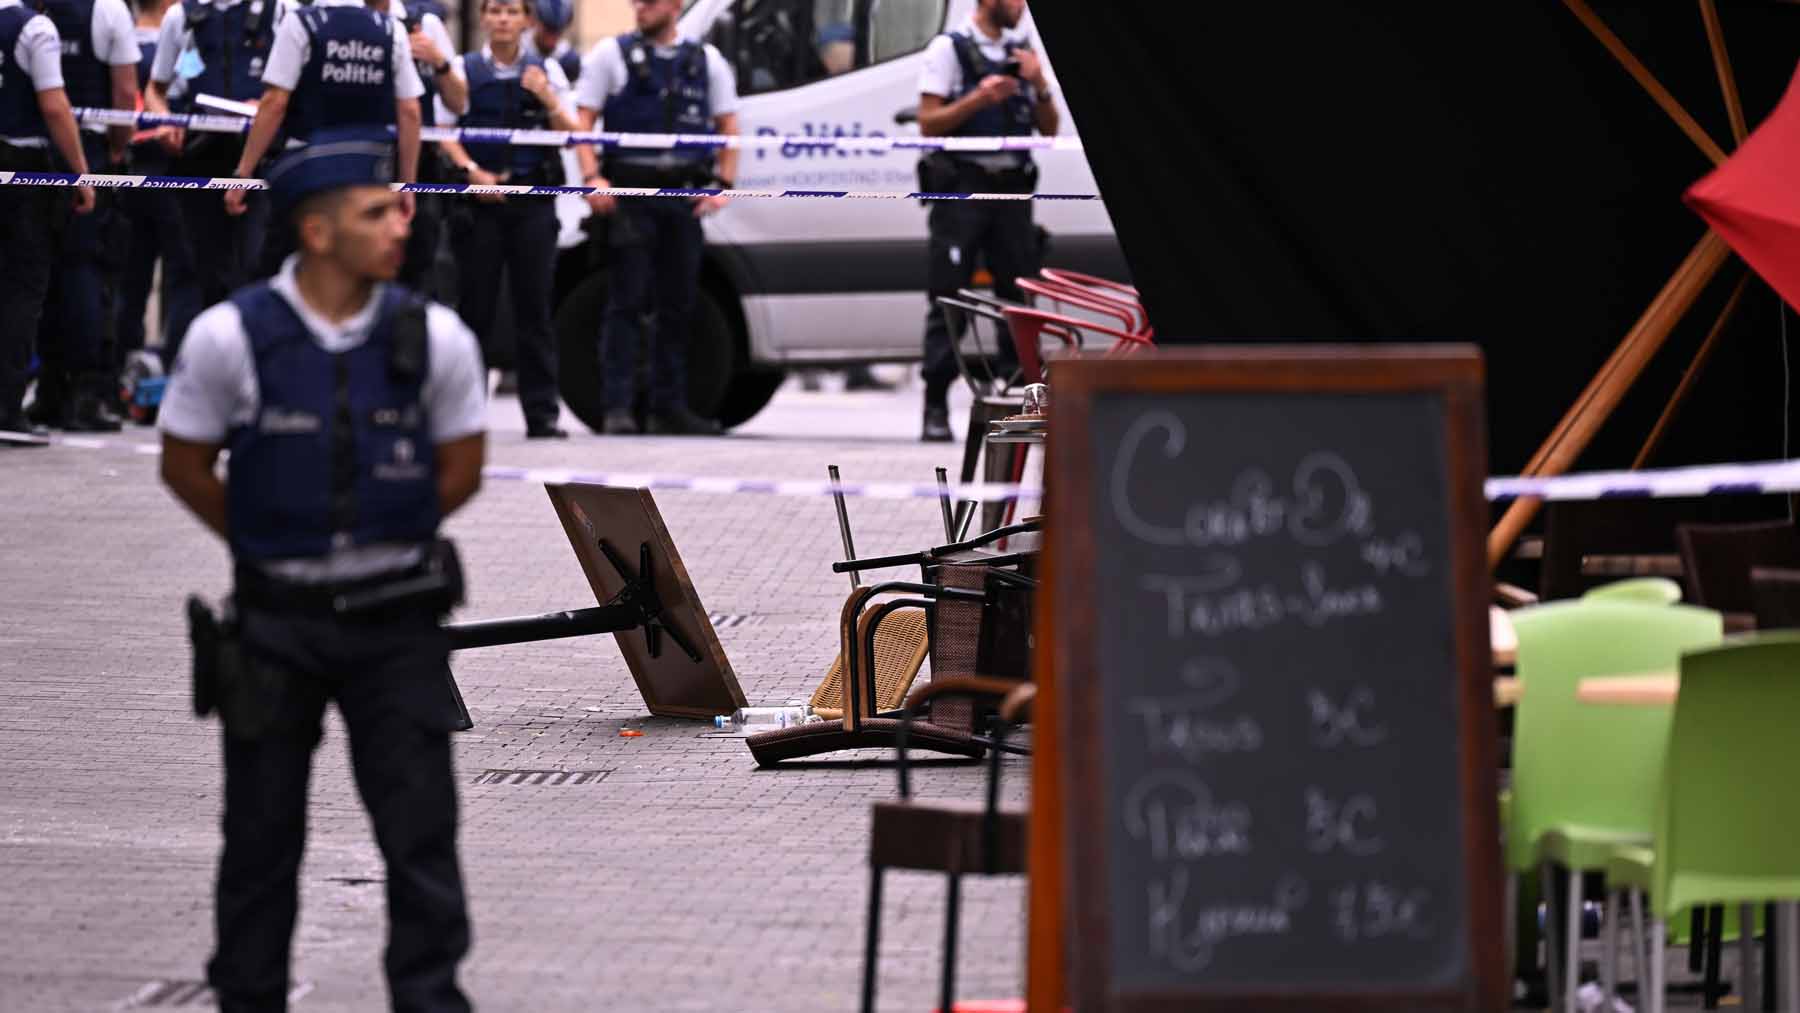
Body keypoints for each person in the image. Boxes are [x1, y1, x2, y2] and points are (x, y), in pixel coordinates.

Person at [157, 135, 485, 1012]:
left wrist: (380, 535)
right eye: (375, 211)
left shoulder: (436, 336)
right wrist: (273, 543)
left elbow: (463, 466)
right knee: (260, 839)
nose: (398, 224)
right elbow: (184, 464)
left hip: (399, 626)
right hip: (275, 626)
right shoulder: (232, 336)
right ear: (317, 229)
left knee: (422, 836)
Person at [574, 0, 737, 436]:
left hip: (683, 196)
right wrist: (592, 177)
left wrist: (723, 183)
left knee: (679, 304)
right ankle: (617, 407)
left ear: (676, 5)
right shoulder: (612, 54)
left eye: (649, 1)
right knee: (625, 301)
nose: (639, 8)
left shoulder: (706, 60)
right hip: (630, 196)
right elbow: (582, 119)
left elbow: (729, 125)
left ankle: (669, 406)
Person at [435, 0, 579, 439]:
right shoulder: (462, 70)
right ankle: (466, 416)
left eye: (512, 11)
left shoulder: (546, 71)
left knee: (534, 310)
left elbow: (571, 133)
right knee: (474, 311)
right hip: (479, 207)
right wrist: (472, 173)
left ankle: (542, 415)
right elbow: (443, 133)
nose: (502, 19)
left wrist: (547, 96)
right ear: (482, 18)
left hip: (532, 203)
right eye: (495, 10)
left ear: (526, 21)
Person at [914, 0, 1057, 442]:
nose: (1021, 7)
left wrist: (1038, 84)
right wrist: (979, 98)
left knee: (1018, 300)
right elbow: (928, 123)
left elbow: (1049, 129)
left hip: (1012, 188)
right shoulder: (948, 50)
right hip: (963, 188)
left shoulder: (1023, 52)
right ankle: (935, 405)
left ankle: (1021, 407)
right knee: (950, 299)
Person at [223, 0, 427, 275]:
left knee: (291, 271)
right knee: (361, 269)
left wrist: (243, 172)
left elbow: (274, 102)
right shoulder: (390, 29)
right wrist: (407, 183)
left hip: (308, 171)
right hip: (369, 171)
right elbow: (410, 110)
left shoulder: (300, 23)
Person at [145, 0, 286, 361]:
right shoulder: (182, 16)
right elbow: (155, 90)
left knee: (256, 266)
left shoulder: (280, 11)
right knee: (203, 273)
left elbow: (294, 87)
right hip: (199, 157)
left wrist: (268, 105)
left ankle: (259, 367)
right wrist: (164, 122)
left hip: (262, 160)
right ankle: (206, 370)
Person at [27, 0, 138, 431]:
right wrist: (114, 148)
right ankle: (86, 393)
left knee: (41, 274)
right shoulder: (110, 11)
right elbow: (125, 94)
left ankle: (47, 392)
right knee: (88, 270)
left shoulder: (27, 10)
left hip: (34, 153)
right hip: (87, 152)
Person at [0, 0, 97, 441]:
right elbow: (55, 106)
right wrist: (80, 171)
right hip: (21, 170)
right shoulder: (34, 28)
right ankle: (6, 408)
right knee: (21, 290)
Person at [115, 0, 200, 400]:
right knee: (184, 274)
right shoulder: (185, 42)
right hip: (174, 170)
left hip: (129, 172)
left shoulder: (119, 38)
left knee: (130, 276)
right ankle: (174, 367)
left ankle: (114, 370)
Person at [394, 0, 466, 298]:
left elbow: (459, 103)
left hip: (421, 169)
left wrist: (439, 61)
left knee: (421, 270)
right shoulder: (340, 13)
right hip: (361, 164)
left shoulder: (424, 23)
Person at [522, 0, 578, 85]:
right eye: (547, 31)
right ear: (535, 21)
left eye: (557, 33)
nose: (551, 40)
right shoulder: (519, 48)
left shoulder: (568, 59)